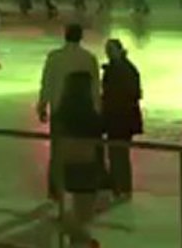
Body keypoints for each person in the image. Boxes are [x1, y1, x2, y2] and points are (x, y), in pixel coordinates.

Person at [37, 24, 101, 200]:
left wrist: (42, 105)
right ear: (80, 37)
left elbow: (47, 82)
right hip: (83, 111)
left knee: (57, 150)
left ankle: (56, 188)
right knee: (80, 149)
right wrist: (97, 109)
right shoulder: (88, 58)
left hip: (60, 109)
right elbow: (95, 86)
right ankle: (79, 185)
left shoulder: (55, 57)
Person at [55, 71, 104, 247]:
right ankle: (80, 237)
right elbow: (100, 128)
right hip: (86, 160)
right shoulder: (88, 111)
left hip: (69, 160)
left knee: (78, 205)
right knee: (85, 209)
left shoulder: (64, 109)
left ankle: (77, 238)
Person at [101, 38, 142, 200]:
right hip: (122, 118)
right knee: (119, 153)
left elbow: (129, 94)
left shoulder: (121, 70)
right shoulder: (125, 68)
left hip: (119, 118)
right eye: (107, 50)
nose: (108, 53)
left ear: (119, 50)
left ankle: (121, 187)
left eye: (111, 50)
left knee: (118, 153)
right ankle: (121, 186)